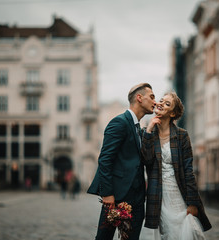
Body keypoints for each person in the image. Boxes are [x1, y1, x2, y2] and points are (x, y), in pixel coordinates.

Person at [87, 83, 156, 240]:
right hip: (116, 196)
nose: (155, 101)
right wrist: (108, 194)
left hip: (138, 199)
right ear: (139, 98)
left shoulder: (140, 128)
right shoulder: (119, 122)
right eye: (151, 97)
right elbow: (105, 159)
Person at [141, 91, 212, 239]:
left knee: (183, 233)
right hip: (159, 197)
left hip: (180, 194)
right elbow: (146, 161)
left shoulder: (181, 136)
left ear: (173, 113)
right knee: (168, 235)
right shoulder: (148, 134)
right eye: (161, 100)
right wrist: (148, 130)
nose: (160, 103)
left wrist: (192, 202)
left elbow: (188, 171)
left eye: (167, 104)